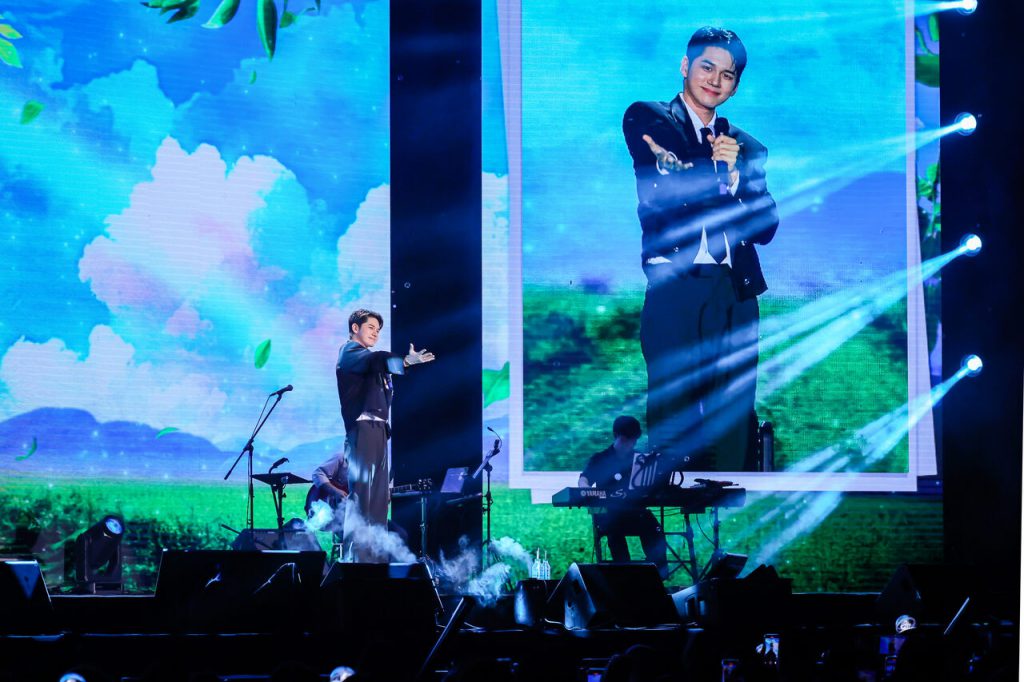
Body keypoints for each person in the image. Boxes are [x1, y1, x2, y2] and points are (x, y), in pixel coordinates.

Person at [622, 26, 779, 472]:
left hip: (737, 289)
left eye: (728, 75)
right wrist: (718, 170)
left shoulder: (748, 147)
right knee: (674, 402)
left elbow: (767, 226)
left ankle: (733, 501)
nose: (715, 80)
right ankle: (674, 498)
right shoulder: (651, 119)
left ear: (736, 86)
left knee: (734, 407)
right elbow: (674, 187)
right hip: (677, 283)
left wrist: (737, 180)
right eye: (707, 67)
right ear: (685, 66)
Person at [334, 308, 434, 561]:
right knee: (362, 496)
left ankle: (375, 560)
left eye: (378, 330)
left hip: (379, 431)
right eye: (371, 327)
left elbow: (380, 365)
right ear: (355, 328)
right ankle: (355, 559)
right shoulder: (350, 352)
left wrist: (405, 365)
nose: (375, 333)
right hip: (363, 429)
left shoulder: (370, 363)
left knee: (379, 499)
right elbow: (378, 359)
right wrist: (406, 361)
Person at [579, 416, 668, 577]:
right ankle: (624, 574)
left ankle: (657, 573)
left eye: (632, 439)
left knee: (654, 529)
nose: (629, 443)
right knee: (614, 529)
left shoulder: (640, 459)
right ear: (616, 435)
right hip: (608, 513)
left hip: (635, 512)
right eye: (625, 439)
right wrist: (586, 491)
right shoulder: (600, 459)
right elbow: (584, 479)